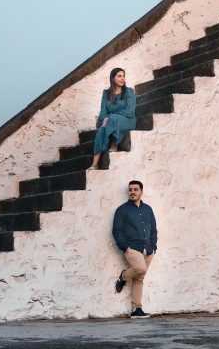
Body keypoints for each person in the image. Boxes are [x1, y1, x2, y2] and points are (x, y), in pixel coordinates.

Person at [112, 179, 157, 318]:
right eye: (130, 190)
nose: (132, 192)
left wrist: (154, 246)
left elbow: (153, 229)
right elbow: (117, 231)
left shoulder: (148, 209)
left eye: (135, 189)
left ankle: (136, 309)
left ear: (141, 192)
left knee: (139, 279)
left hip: (148, 249)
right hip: (132, 248)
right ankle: (124, 276)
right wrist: (125, 247)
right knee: (140, 269)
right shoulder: (122, 210)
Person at [88, 67, 136, 170]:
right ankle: (95, 163)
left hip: (127, 119)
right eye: (119, 76)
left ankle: (114, 144)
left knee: (113, 118)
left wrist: (110, 118)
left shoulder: (129, 91)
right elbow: (103, 111)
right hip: (110, 121)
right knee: (101, 130)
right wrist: (104, 119)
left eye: (123, 76)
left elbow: (130, 110)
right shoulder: (106, 93)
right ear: (112, 78)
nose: (122, 78)